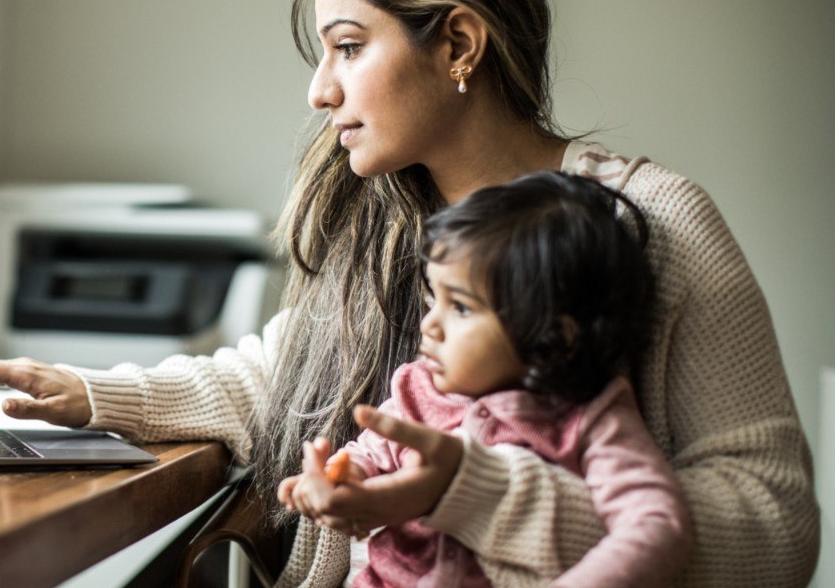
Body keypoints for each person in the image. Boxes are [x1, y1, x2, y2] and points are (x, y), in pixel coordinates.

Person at [0, 0, 818, 587]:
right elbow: (279, 379)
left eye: (348, 46)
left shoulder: (655, 223)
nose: (320, 92)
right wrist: (87, 395)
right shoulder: (381, 223)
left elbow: (774, 527)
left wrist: (473, 498)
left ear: (460, 42)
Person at [278, 170, 693, 587]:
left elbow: (656, 526)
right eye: (431, 299)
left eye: (459, 307)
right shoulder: (417, 391)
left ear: (555, 335)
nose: (429, 325)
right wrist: (338, 481)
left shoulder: (593, 417)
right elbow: (365, 457)